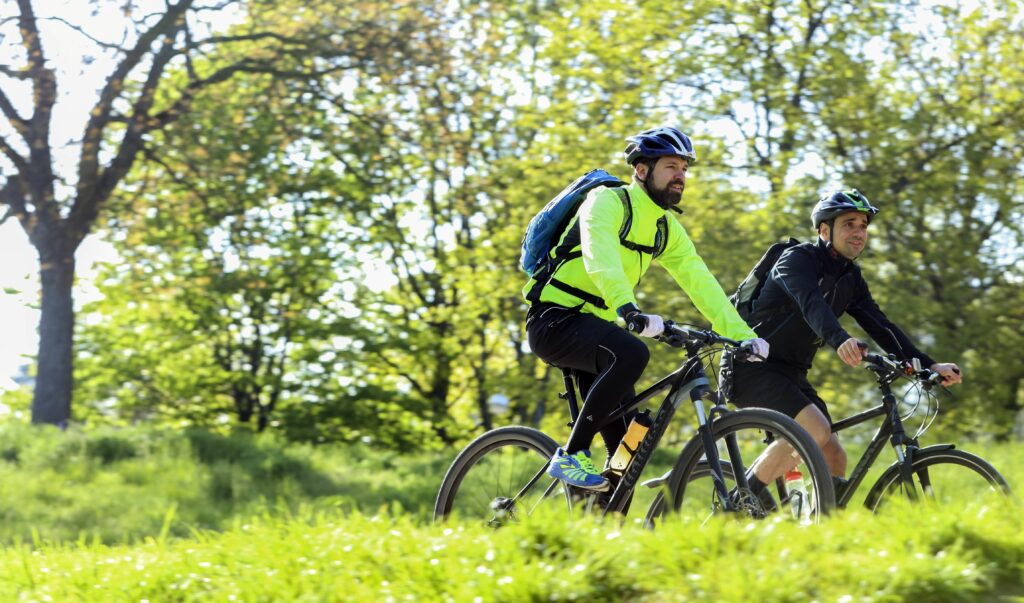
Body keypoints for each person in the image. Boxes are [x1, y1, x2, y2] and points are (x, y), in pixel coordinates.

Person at [523, 126, 769, 492]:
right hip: (554, 320)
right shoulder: (607, 202)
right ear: (641, 170)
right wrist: (628, 309)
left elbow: (700, 283)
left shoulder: (664, 228)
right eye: (671, 166)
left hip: (597, 333)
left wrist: (744, 336)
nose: (681, 176)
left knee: (626, 448)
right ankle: (571, 454)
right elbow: (599, 258)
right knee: (633, 353)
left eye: (684, 169)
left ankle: (604, 510)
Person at [730, 189, 962, 504]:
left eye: (863, 226)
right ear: (824, 230)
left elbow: (881, 326)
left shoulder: (850, 277)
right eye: (849, 224)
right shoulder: (796, 260)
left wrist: (927, 365)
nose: (858, 233)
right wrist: (840, 339)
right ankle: (740, 501)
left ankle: (819, 528)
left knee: (834, 455)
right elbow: (812, 304)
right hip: (751, 367)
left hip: (792, 373)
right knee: (815, 429)